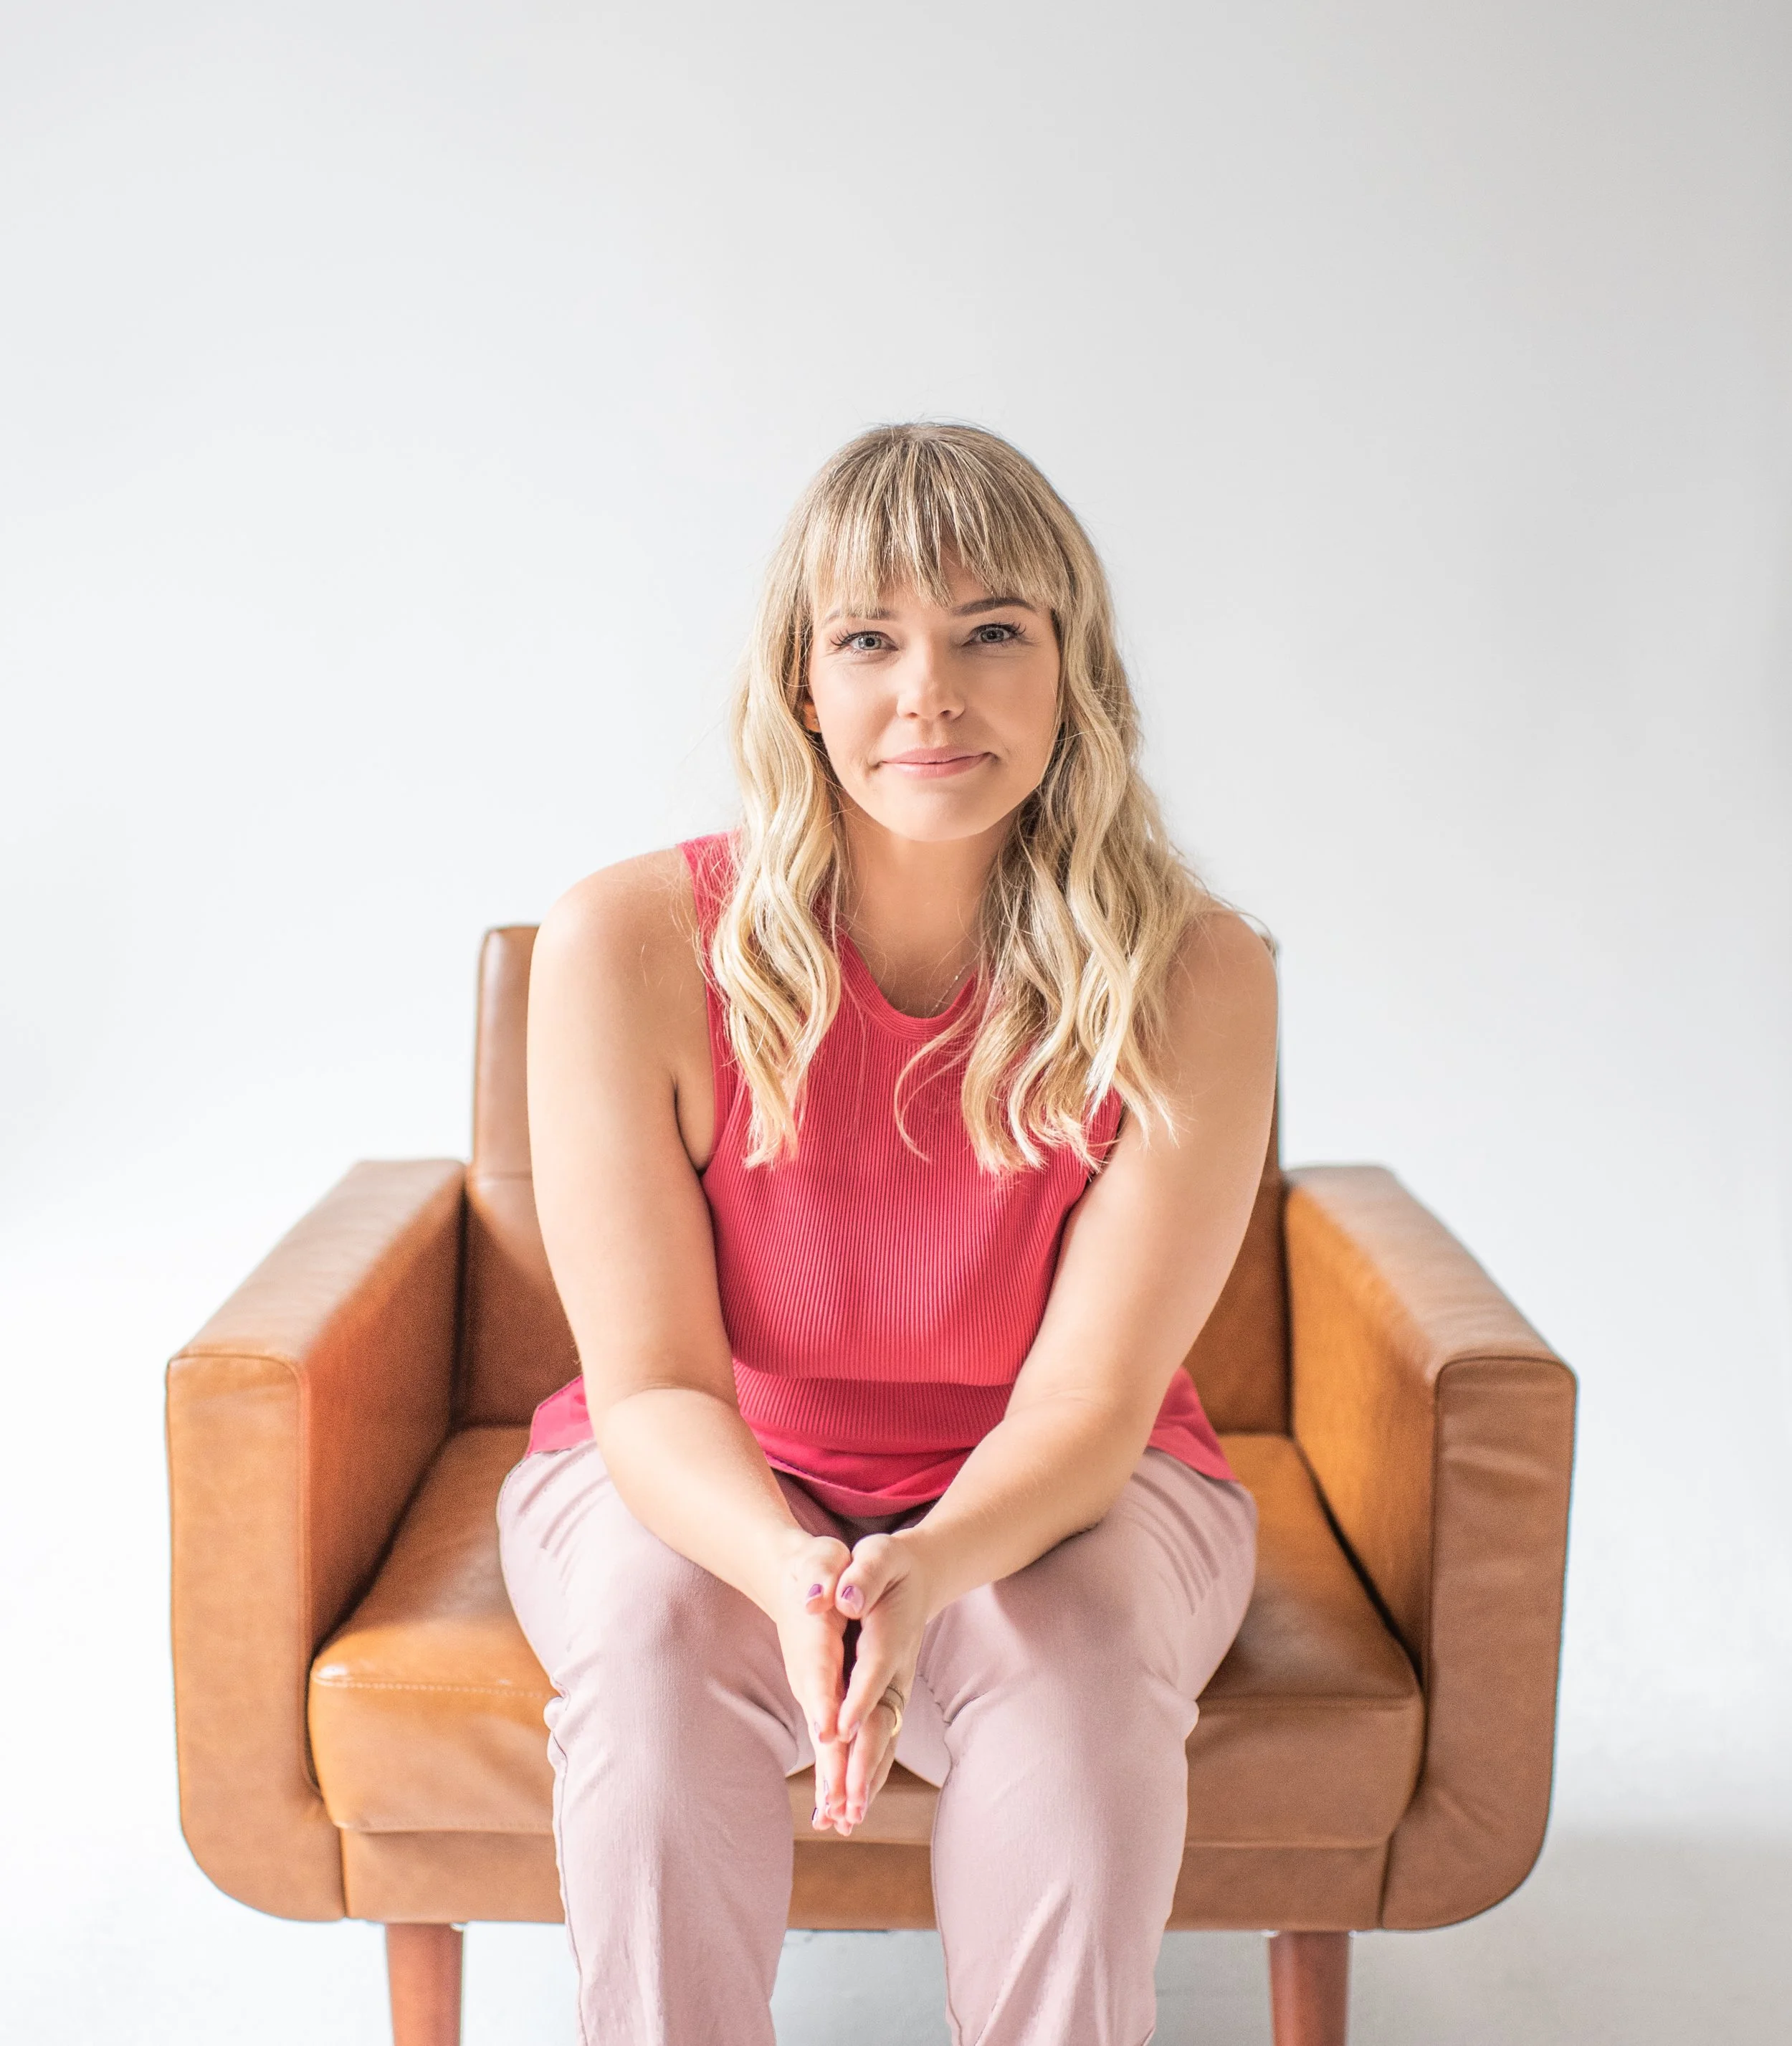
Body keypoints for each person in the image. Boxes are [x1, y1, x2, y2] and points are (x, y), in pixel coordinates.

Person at [497, 422, 1279, 2046]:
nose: (928, 689)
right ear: (803, 683)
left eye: (992, 630)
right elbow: (648, 1388)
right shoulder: (626, 944)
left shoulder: (1197, 976)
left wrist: (923, 1564)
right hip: (708, 1463)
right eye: (870, 638)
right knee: (644, 1644)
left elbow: (1082, 1410)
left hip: (1078, 1474)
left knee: (1074, 1677)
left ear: (1071, 669)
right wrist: (795, 1568)